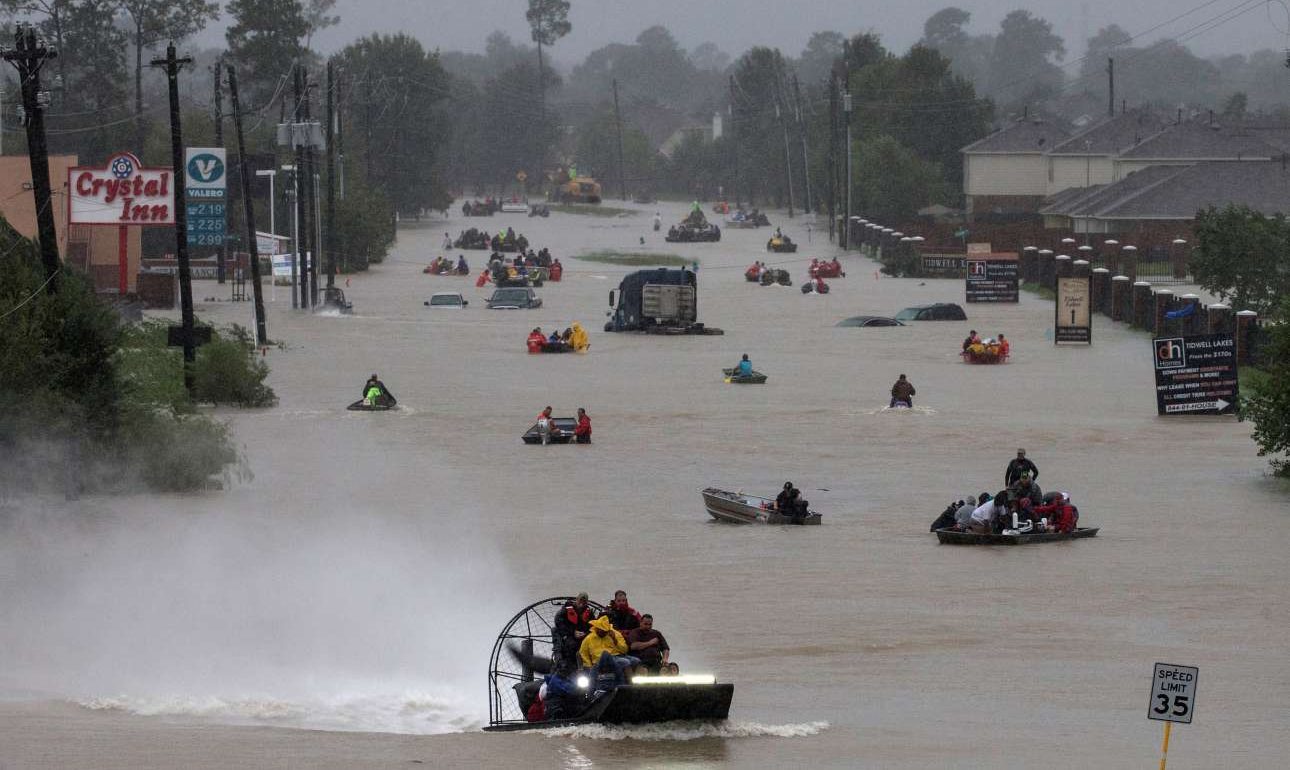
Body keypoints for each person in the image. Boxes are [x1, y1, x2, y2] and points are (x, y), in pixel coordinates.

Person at [553, 593, 595, 670]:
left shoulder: (589, 612)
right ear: (576, 600)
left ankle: (586, 666)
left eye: (584, 602)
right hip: (569, 635)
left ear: (587, 603)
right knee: (571, 645)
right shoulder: (566, 610)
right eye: (580, 601)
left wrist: (585, 634)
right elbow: (558, 622)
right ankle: (570, 666)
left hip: (584, 636)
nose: (582, 604)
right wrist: (573, 632)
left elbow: (593, 626)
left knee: (589, 646)